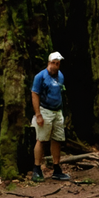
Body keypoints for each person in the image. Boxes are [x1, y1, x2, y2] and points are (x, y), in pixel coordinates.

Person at [31, 52, 71, 181]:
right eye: (53, 63)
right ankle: (37, 169)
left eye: (57, 63)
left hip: (57, 112)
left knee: (57, 139)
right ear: (49, 63)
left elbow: (61, 93)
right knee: (41, 139)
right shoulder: (40, 77)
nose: (55, 66)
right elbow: (34, 94)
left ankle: (56, 168)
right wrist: (38, 115)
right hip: (45, 111)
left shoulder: (60, 76)